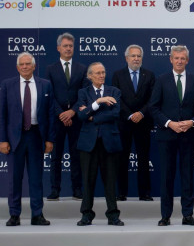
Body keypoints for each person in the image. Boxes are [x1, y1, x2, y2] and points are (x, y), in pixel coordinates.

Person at [149, 46, 194, 226]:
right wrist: (169, 123)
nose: (180, 61)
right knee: (166, 176)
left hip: (189, 136)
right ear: (171, 59)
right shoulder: (161, 80)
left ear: (187, 60)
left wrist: (192, 122)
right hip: (166, 136)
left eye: (183, 58)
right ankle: (165, 216)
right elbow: (153, 107)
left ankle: (187, 215)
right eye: (176, 58)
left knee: (187, 176)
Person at [0, 52, 55, 226]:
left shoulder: (45, 85)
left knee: (36, 179)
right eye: (21, 64)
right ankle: (14, 215)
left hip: (36, 136)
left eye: (28, 64)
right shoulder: (8, 85)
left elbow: (50, 114)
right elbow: (2, 114)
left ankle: (37, 215)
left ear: (34, 66)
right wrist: (3, 139)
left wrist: (49, 139)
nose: (24, 67)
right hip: (15, 138)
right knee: (14, 179)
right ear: (17, 67)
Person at [75, 62, 124, 226]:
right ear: (90, 76)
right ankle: (86, 215)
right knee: (88, 181)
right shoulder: (83, 92)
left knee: (110, 181)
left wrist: (91, 116)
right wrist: (99, 102)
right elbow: (81, 116)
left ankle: (113, 215)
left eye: (103, 72)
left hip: (109, 142)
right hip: (88, 144)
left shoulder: (115, 91)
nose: (101, 75)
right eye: (97, 73)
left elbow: (115, 114)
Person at [45, 32, 88, 201]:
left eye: (71, 46)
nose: (68, 48)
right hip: (57, 119)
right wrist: (61, 113)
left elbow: (84, 94)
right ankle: (55, 189)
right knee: (56, 156)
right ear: (58, 48)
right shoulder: (50, 69)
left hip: (76, 118)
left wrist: (73, 112)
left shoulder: (82, 69)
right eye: (65, 46)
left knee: (76, 154)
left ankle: (77, 189)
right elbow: (49, 94)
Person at [112, 44, 156, 202]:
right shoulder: (118, 75)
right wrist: (130, 115)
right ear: (126, 58)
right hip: (124, 122)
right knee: (122, 158)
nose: (136, 58)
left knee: (144, 158)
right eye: (133, 56)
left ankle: (144, 193)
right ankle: (121, 193)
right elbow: (116, 98)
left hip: (143, 122)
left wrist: (141, 113)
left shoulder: (149, 75)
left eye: (139, 56)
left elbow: (153, 99)